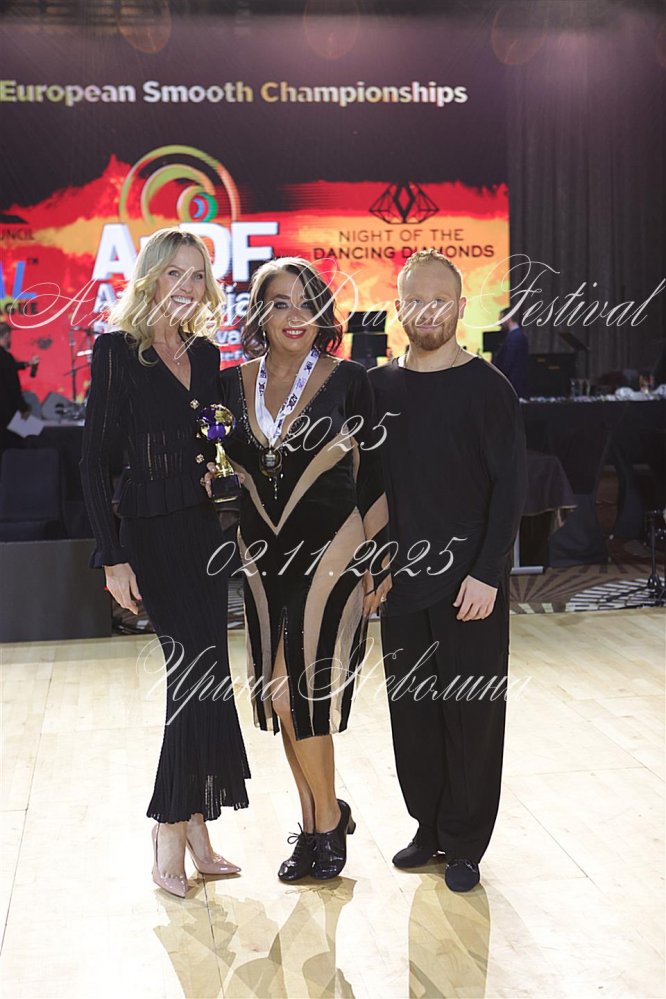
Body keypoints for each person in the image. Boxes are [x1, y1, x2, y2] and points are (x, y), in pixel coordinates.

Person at [80, 227, 250, 898]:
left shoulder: (207, 355)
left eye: (198, 275)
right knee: (191, 674)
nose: (187, 285)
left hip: (205, 533)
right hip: (150, 537)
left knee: (211, 675)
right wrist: (111, 556)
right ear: (150, 276)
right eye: (175, 272)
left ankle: (199, 823)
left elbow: (213, 448)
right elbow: (93, 462)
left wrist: (219, 474)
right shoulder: (116, 352)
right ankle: (170, 826)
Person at [213, 256, 389, 881]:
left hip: (333, 553)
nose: (296, 315)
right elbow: (221, 466)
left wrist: (379, 562)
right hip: (262, 559)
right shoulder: (230, 385)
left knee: (300, 694)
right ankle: (318, 817)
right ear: (260, 314)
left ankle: (326, 823)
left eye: (308, 303)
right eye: (281, 303)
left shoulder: (351, 380)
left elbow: (376, 474)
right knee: (280, 695)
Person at [369, 249, 526, 893]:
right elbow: (369, 491)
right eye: (415, 299)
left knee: (471, 717)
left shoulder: (489, 388)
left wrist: (488, 572)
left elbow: (509, 489)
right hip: (403, 587)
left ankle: (464, 842)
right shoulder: (378, 389)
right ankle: (428, 828)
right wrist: (374, 568)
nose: (426, 311)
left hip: (470, 587)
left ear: (461, 307)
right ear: (398, 306)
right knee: (412, 715)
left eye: (440, 300)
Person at [0, 321, 35, 454]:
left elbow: (9, 367)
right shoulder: (5, 357)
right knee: (19, 445)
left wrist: (26, 364)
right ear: (7, 335)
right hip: (7, 414)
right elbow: (13, 386)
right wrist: (23, 408)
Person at [494, 305, 528, 398]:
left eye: (501, 320)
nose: (500, 323)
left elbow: (508, 362)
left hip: (514, 382)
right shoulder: (515, 335)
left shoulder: (515, 336)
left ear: (508, 318)